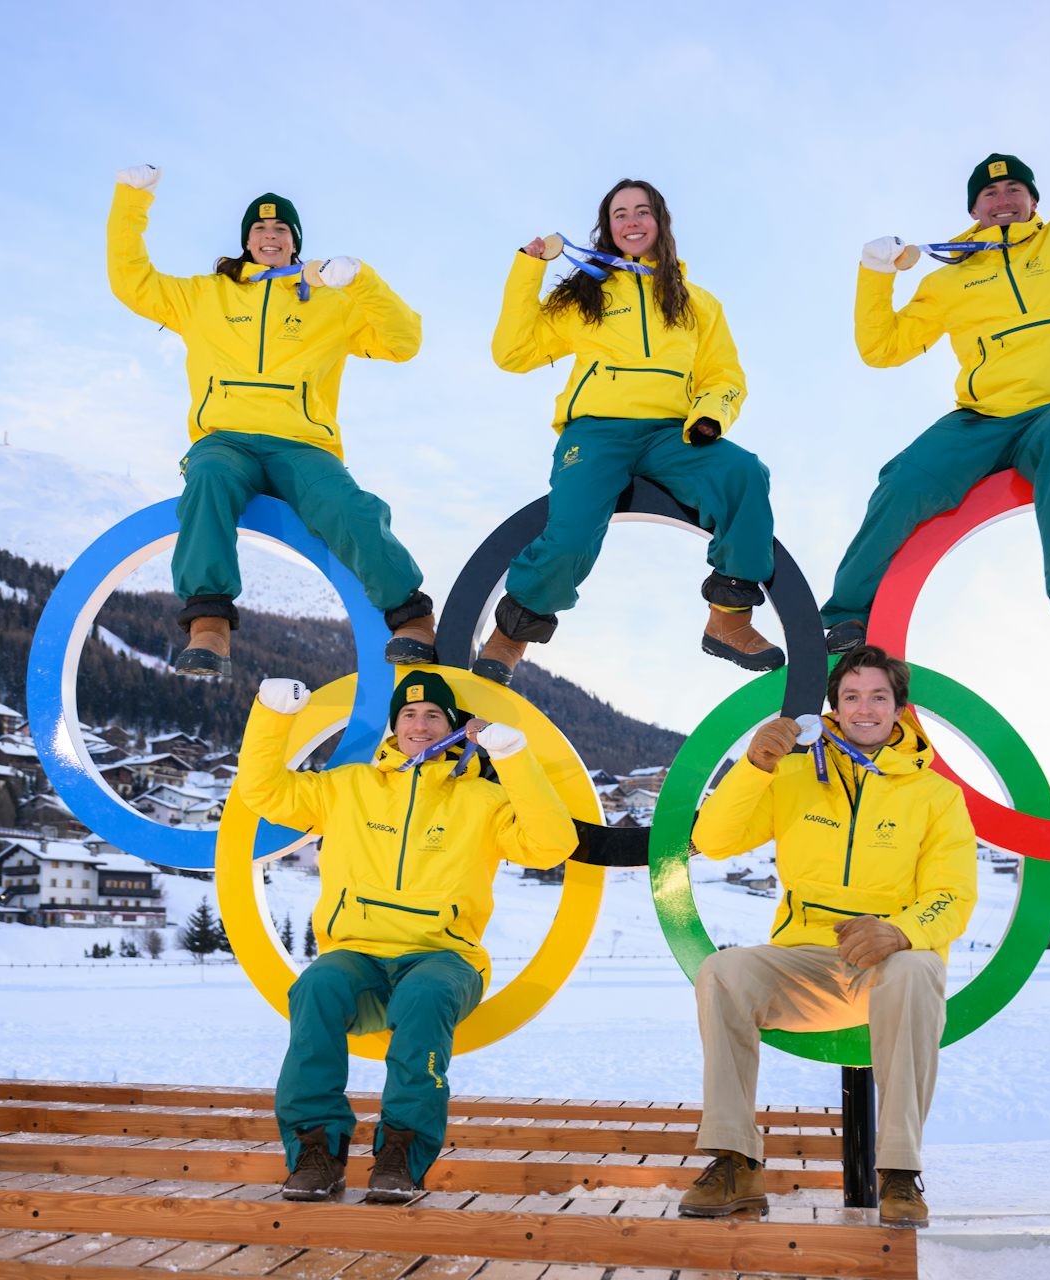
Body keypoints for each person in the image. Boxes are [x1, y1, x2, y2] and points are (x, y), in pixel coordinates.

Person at [823, 43, 1050, 652]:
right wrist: (875, 274)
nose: (1003, 198)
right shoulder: (950, 276)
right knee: (905, 478)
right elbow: (882, 348)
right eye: (990, 194)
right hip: (982, 419)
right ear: (973, 209)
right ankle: (848, 615)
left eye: (1015, 189)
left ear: (1033, 201)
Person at [234, 669, 577, 1202]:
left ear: (453, 725)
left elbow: (553, 843)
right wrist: (272, 717)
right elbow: (263, 790)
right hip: (358, 957)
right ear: (394, 726)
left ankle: (400, 1155)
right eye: (409, 715)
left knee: (425, 994)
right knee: (315, 988)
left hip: (445, 958)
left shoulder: (482, 800)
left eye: (433, 714)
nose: (420, 724)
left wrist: (513, 759)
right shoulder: (346, 786)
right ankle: (315, 1153)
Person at [681, 645, 977, 1228]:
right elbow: (713, 839)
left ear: (899, 709)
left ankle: (898, 1173)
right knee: (723, 972)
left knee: (918, 968)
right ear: (834, 709)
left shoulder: (936, 795)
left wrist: (900, 931)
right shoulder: (792, 773)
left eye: (878, 697)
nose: (864, 708)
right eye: (851, 696)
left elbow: (954, 895)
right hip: (805, 962)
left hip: (888, 965)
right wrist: (753, 766)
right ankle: (735, 1161)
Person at [107, 165, 438, 677]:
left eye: (281, 229)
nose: (269, 236)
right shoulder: (203, 296)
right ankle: (209, 625)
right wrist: (132, 200)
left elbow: (403, 341)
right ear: (245, 240)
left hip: (301, 445)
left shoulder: (331, 301)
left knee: (348, 507)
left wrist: (360, 281)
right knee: (208, 478)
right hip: (226, 440)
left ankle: (411, 618)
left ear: (295, 242)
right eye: (260, 229)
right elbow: (132, 281)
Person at [477, 178, 782, 684]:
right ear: (608, 228)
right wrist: (529, 268)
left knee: (744, 474)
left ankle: (729, 619)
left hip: (673, 434)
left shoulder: (698, 304)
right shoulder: (584, 295)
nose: (632, 221)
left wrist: (710, 415)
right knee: (572, 534)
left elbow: (725, 377)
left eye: (642, 211)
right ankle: (513, 631)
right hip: (597, 432)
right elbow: (511, 353)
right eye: (620, 214)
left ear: (660, 222)